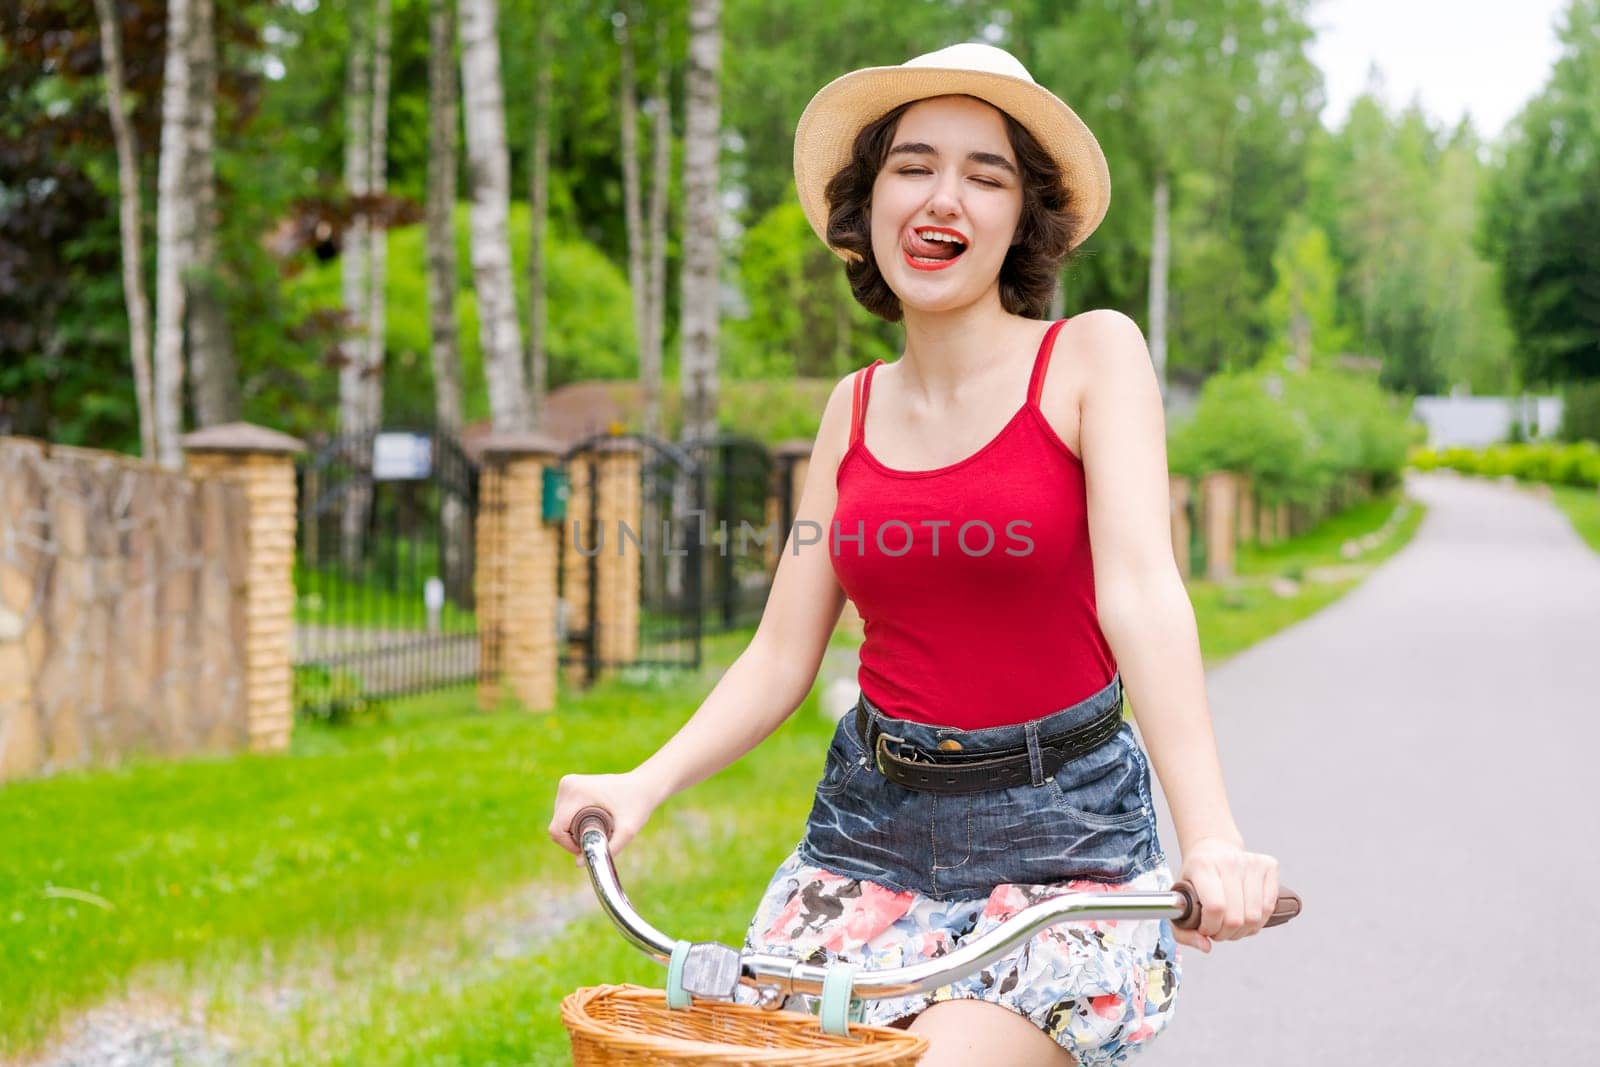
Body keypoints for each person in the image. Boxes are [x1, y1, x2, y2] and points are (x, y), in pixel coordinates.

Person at [549, 41, 1281, 1066]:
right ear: (867, 203)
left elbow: (1144, 592)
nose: (944, 198)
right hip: (866, 834)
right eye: (913, 165)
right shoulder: (848, 410)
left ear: (1023, 218)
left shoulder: (1088, 358)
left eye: (986, 175)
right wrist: (643, 780)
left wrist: (1207, 834)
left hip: (1057, 846)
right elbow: (777, 655)